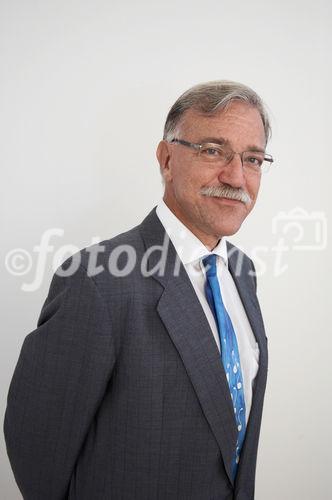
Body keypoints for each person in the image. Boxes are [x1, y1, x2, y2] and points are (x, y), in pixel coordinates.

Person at [4, 80, 272, 500]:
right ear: (167, 159)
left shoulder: (242, 272)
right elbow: (35, 448)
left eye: (252, 158)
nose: (236, 175)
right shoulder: (96, 279)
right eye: (213, 150)